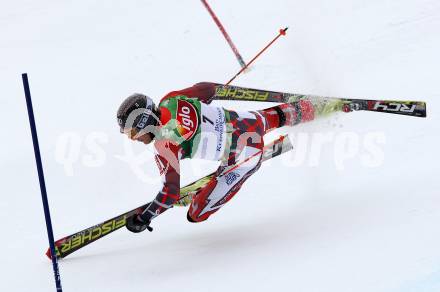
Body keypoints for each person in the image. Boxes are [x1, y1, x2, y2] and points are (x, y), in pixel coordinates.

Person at [116, 82, 342, 232]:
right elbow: (208, 89)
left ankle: (208, 187)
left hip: (245, 157)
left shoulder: (164, 143)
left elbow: (170, 193)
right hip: (251, 120)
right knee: (276, 118)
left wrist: (144, 218)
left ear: (145, 122)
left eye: (133, 132)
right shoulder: (170, 99)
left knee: (196, 214)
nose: (133, 139)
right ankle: (326, 107)